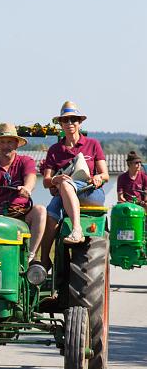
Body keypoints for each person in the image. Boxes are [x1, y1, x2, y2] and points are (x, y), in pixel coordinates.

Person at [41, 101, 109, 268]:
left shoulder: (93, 144)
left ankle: (77, 229)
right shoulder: (54, 150)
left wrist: (99, 178)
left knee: (65, 186)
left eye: (74, 120)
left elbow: (106, 175)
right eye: (66, 120)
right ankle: (43, 260)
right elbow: (46, 181)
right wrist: (55, 180)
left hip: (89, 192)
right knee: (50, 214)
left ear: (80, 123)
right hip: (64, 193)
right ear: (60, 124)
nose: (70, 123)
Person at [0, 123, 47, 262]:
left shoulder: (26, 161)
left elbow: (31, 179)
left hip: (22, 213)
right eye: (2, 142)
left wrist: (26, 189)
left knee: (40, 210)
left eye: (9, 142)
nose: (5, 146)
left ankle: (31, 256)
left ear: (16, 144)